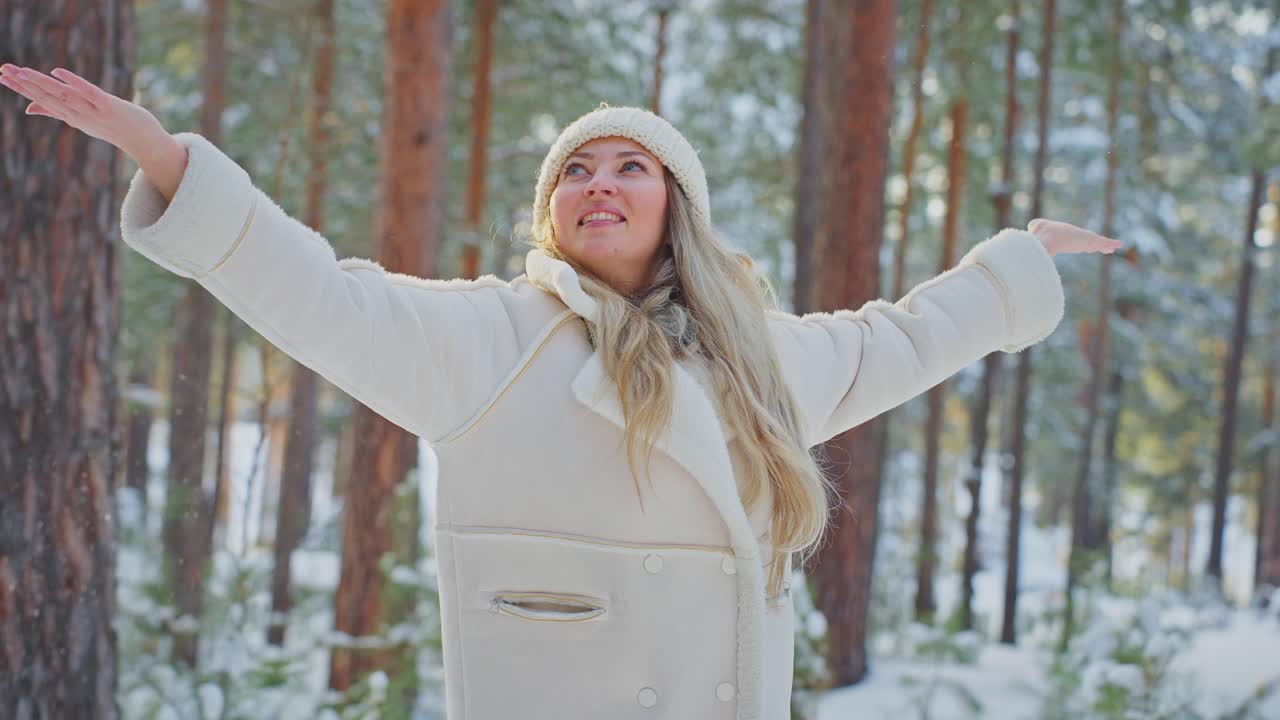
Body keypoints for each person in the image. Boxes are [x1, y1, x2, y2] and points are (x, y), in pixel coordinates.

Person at [1, 64, 1121, 719]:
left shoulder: (762, 365)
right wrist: (168, 163)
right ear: (552, 214)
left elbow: (904, 338)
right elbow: (321, 296)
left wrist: (1016, 259)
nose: (599, 183)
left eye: (630, 165)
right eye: (574, 171)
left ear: (673, 202)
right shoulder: (494, 339)